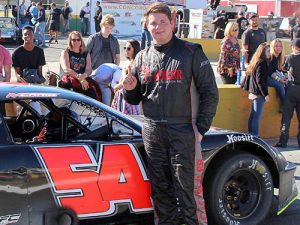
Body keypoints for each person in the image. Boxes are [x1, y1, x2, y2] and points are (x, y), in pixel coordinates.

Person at [122, 3, 218, 225]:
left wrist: (200, 129)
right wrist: (129, 89)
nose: (158, 27)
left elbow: (210, 94)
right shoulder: (141, 57)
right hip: (153, 132)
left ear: (173, 23)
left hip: (183, 130)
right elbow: (135, 99)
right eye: (153, 23)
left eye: (162, 22)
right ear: (146, 26)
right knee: (160, 193)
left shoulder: (192, 52)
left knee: (188, 193)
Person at [12, 26, 46, 114]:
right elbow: (17, 74)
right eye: (25, 34)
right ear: (22, 37)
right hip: (23, 83)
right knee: (30, 105)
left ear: (34, 36)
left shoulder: (39, 51)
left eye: (30, 34)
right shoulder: (17, 52)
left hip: (36, 83)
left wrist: (42, 81)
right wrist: (25, 83)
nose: (28, 36)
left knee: (47, 104)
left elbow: (40, 73)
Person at [274, 38, 300, 148]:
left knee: (286, 117)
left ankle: (283, 141)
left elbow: (283, 70)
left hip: (291, 89)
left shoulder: (290, 57)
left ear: (294, 47)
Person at [59, 31, 99, 100]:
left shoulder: (86, 53)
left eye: (78, 39)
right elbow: (66, 69)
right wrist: (80, 78)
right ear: (70, 41)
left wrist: (84, 76)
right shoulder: (66, 52)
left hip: (83, 78)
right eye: (74, 40)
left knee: (92, 93)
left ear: (81, 41)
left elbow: (89, 69)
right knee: (75, 94)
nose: (76, 41)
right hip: (70, 78)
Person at [111, 40, 141, 114]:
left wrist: (117, 86)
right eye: (125, 48)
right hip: (122, 93)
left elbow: (128, 80)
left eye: (128, 48)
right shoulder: (128, 62)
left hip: (129, 95)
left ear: (135, 49)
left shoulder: (135, 63)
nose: (126, 50)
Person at [247, 43, 270, 137]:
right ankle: (254, 135)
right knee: (256, 116)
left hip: (254, 91)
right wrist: (266, 94)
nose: (270, 53)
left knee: (253, 115)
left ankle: (251, 134)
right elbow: (260, 81)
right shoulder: (261, 62)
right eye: (268, 51)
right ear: (263, 52)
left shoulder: (256, 61)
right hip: (258, 93)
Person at [268, 39, 287, 106]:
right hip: (265, 77)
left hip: (273, 76)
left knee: (288, 83)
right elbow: (270, 73)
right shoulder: (270, 57)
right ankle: (285, 106)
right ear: (272, 47)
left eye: (280, 46)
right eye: (276, 46)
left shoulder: (279, 57)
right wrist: (279, 79)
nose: (278, 48)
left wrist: (284, 77)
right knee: (280, 85)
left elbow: (279, 70)